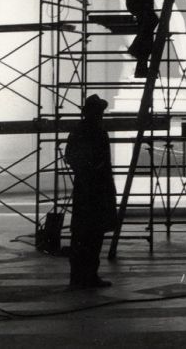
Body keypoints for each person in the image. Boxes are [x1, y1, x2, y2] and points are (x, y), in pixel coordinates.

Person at [64, 94, 117, 289]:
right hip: (96, 189)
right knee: (93, 235)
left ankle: (79, 277)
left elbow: (70, 157)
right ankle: (88, 276)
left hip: (85, 188)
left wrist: (83, 170)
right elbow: (102, 163)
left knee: (81, 235)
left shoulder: (77, 131)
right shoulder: (97, 132)